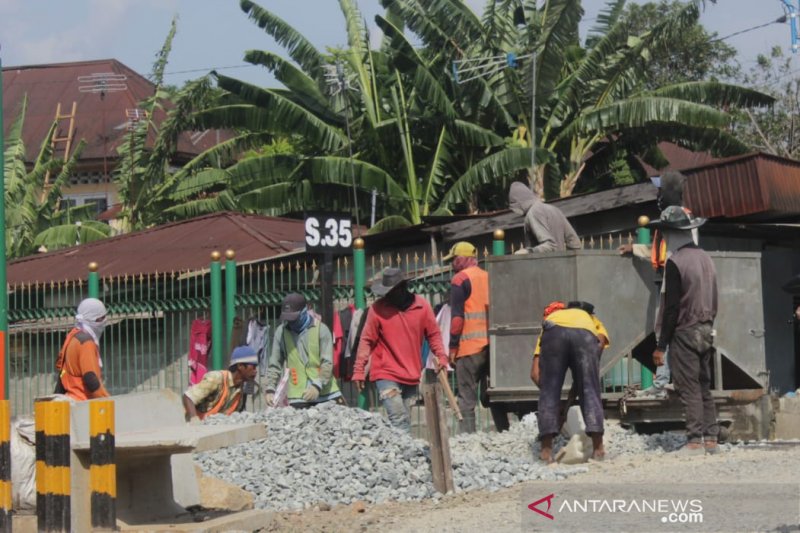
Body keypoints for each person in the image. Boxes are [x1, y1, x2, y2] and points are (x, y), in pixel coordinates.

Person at [650, 206, 720, 455]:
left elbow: (671, 309)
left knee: (688, 387)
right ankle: (711, 439)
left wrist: (661, 346)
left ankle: (693, 441)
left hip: (685, 331)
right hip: (706, 329)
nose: (665, 238)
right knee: (703, 386)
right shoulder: (706, 258)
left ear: (673, 233)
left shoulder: (675, 262)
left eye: (666, 233)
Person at [619, 171, 696, 398]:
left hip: (673, 277)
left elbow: (681, 250)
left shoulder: (679, 216)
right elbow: (660, 249)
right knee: (665, 328)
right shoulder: (672, 214)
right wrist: (634, 249)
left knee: (665, 328)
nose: (658, 194)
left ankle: (663, 382)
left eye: (661, 190)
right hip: (667, 275)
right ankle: (666, 380)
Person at [353, 267, 448, 432]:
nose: (387, 295)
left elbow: (434, 335)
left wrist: (442, 357)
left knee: (405, 419)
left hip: (411, 373)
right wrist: (359, 369)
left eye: (390, 291)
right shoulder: (377, 309)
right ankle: (405, 456)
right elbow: (366, 340)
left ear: (401, 288)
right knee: (399, 419)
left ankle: (397, 451)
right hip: (385, 372)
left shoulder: (422, 307)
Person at [531, 301, 608, 463]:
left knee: (549, 392)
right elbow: (600, 342)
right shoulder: (590, 319)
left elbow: (535, 373)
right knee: (590, 390)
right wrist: (587, 377)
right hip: (585, 335)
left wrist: (552, 399)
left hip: (554, 335)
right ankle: (598, 449)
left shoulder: (552, 319)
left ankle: (546, 453)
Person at [443, 241, 503, 433]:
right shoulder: (489, 276)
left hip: (469, 348)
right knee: (495, 394)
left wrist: (452, 348)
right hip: (492, 346)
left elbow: (457, 317)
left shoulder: (460, 280)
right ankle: (504, 431)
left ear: (462, 259)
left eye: (453, 260)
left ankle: (467, 438)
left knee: (467, 397)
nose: (452, 264)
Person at [265, 293, 342, 408]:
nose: (291, 322)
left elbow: (327, 362)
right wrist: (270, 388)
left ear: (305, 311)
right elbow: (274, 363)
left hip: (326, 395)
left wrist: (317, 385)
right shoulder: (281, 333)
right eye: (288, 318)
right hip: (298, 396)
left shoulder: (322, 330)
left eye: (294, 318)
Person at [54, 298, 111, 401]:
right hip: (83, 402)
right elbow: (90, 378)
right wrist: (107, 401)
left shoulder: (73, 336)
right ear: (95, 319)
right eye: (102, 318)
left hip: (70, 399)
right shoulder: (86, 343)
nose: (104, 321)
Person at [183, 345, 259, 421]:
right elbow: (188, 397)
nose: (256, 371)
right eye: (253, 367)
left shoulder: (240, 390)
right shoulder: (216, 378)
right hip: (198, 428)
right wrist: (194, 419)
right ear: (240, 366)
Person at [508, 181, 581, 253]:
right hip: (560, 262)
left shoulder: (533, 213)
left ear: (518, 203)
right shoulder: (554, 209)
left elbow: (550, 245)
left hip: (544, 263)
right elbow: (575, 243)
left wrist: (528, 251)